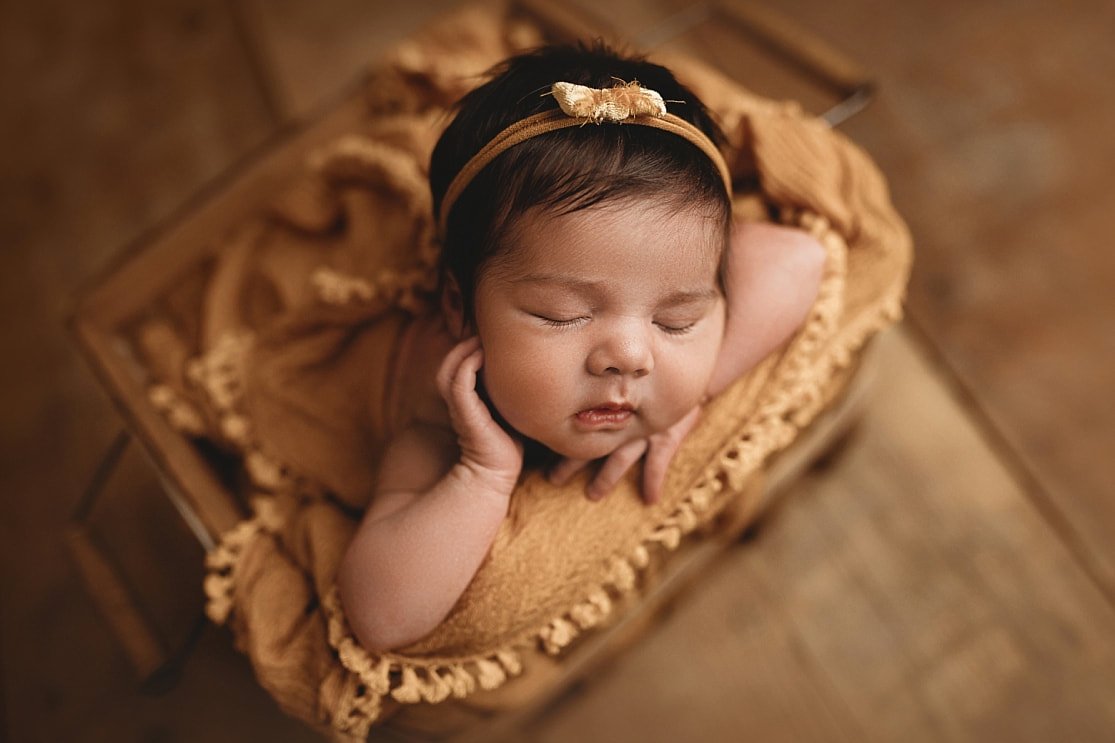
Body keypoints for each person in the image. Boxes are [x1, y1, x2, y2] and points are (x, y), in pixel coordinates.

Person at [336, 42, 826, 652]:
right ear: (461, 309)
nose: (630, 357)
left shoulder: (671, 288)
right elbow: (380, 617)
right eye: (561, 315)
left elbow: (800, 259)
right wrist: (483, 474)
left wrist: (697, 388)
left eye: (677, 320)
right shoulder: (443, 410)